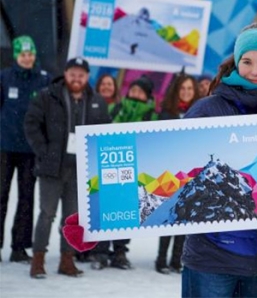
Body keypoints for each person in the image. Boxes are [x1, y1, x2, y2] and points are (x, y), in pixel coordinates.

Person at [180, 22, 257, 297]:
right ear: (237, 63)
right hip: (212, 258)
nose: (255, 71)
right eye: (247, 61)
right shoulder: (207, 110)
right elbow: (175, 171)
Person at [24, 57, 110, 278]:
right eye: (73, 73)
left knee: (72, 218)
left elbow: (104, 133)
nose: (77, 78)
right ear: (66, 74)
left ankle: (67, 260)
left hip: (80, 172)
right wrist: (44, 152)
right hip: (52, 169)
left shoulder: (97, 101)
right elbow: (31, 124)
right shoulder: (47, 96)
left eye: (81, 74)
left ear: (87, 77)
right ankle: (38, 260)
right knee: (46, 214)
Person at [89, 75, 159, 270]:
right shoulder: (116, 108)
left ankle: (120, 251)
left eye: (140, 91)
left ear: (147, 96)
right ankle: (101, 251)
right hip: (109, 166)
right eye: (133, 89)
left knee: (127, 211)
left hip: (136, 169)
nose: (135, 93)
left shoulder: (151, 115)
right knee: (105, 208)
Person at [0, 36, 51, 264]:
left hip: (31, 149)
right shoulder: (4, 77)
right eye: (23, 54)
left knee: (26, 198)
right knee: (1, 196)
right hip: (4, 147)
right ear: (16, 56)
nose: (27, 58)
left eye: (30, 54)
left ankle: (19, 247)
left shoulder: (43, 80)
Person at [155, 73, 201, 275]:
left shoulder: (201, 112)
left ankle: (177, 260)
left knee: (184, 218)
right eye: (183, 88)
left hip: (191, 173)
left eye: (190, 89)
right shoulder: (166, 113)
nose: (186, 92)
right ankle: (161, 259)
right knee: (168, 217)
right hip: (171, 171)